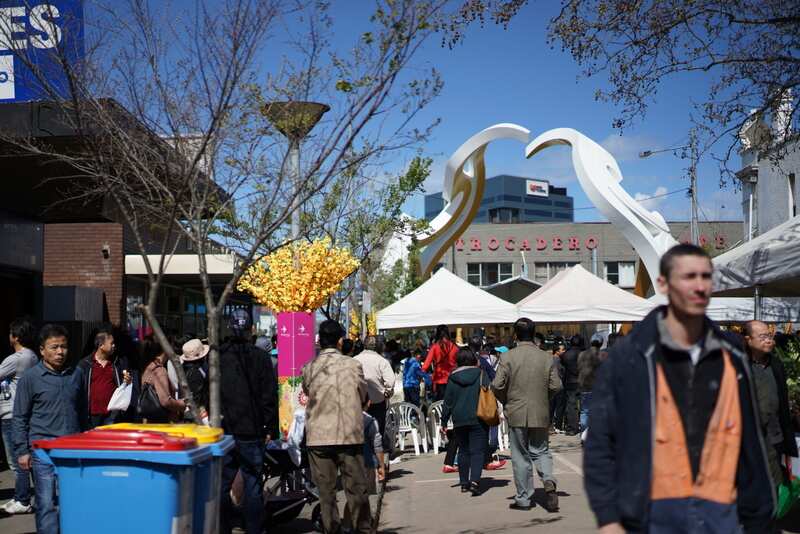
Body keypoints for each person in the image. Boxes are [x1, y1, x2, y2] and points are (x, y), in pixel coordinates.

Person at [585, 244, 774, 533]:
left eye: (705, 277)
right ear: (663, 283)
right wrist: (608, 518)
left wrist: (759, 518)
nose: (699, 286)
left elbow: (751, 442)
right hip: (652, 513)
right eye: (688, 277)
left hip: (721, 511)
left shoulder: (731, 357)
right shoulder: (631, 356)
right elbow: (601, 440)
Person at [302, 319, 371, 534]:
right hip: (349, 435)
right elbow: (363, 396)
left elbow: (307, 391)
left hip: (319, 437)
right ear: (340, 341)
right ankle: (362, 529)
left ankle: (331, 529)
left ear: (319, 341)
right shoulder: (353, 365)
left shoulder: (310, 367)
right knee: (357, 489)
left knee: (326, 493)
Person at [13, 324, 83, 534]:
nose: (60, 352)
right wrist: (22, 451)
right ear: (42, 350)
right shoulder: (30, 378)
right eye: (54, 347)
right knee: (46, 503)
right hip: (42, 451)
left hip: (72, 450)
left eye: (63, 346)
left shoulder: (76, 374)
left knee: (72, 501)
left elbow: (82, 410)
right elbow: (20, 416)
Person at [492, 318, 562, 512]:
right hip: (540, 410)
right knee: (541, 450)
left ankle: (524, 499)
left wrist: (506, 400)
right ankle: (548, 480)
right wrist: (543, 398)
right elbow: (556, 386)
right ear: (533, 333)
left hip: (516, 411)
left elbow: (496, 385)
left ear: (515, 334)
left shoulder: (508, 357)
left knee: (521, 455)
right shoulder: (546, 357)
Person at [219, 309, 278, 534]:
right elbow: (269, 396)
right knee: (253, 483)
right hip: (252, 429)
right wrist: (270, 427)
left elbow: (208, 392)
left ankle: (224, 526)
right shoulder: (261, 358)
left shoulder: (219, 357)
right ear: (251, 329)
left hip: (224, 429)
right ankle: (254, 528)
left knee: (222, 484)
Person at [743, 321, 798, 490]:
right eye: (763, 336)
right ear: (748, 340)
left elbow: (781, 401)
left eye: (770, 336)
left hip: (774, 440)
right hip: (748, 442)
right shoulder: (739, 365)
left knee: (774, 486)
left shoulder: (776, 365)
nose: (769, 340)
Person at [441, 347, 491, 496]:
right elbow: (489, 392)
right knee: (477, 451)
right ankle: (475, 481)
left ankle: (464, 483)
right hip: (479, 417)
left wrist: (444, 421)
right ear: (473, 359)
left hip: (459, 418)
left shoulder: (452, 377)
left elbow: (447, 401)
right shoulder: (481, 374)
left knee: (463, 450)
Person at [0, 318, 38, 515]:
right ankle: (20, 497)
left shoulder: (16, 358)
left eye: (10, 333)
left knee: (16, 461)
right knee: (25, 458)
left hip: (11, 413)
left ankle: (22, 500)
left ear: (15, 337)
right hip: (23, 412)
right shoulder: (33, 357)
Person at [77, 326, 134, 429]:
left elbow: (124, 384)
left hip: (112, 414)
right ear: (101, 345)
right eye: (111, 343)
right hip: (91, 414)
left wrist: (128, 381)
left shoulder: (118, 363)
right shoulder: (85, 364)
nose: (114, 346)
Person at [355, 335, 396, 436]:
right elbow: (390, 382)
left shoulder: (354, 360)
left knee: (362, 433)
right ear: (377, 346)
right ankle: (377, 450)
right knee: (378, 432)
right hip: (378, 401)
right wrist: (387, 392)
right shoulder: (382, 361)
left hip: (358, 402)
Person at [140, 337, 185, 423]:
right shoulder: (160, 371)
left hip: (150, 421)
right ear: (166, 349)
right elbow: (165, 401)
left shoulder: (148, 367)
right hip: (163, 423)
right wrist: (182, 404)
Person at [422, 325, 458, 401]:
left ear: (437, 334)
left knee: (440, 404)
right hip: (453, 379)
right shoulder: (454, 347)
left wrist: (421, 376)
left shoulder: (435, 347)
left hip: (439, 380)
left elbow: (425, 366)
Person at [577, 336, 602, 433]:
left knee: (584, 411)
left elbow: (579, 367)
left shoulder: (582, 354)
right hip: (597, 387)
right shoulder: (601, 354)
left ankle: (584, 432)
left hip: (583, 385)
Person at [181, 338, 210, 423]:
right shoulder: (197, 372)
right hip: (198, 412)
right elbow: (198, 397)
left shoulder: (183, 368)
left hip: (186, 411)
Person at [561, 334, 583, 435]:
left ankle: (572, 428)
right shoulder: (584, 353)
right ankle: (585, 426)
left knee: (571, 405)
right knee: (585, 406)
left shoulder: (566, 355)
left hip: (571, 382)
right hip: (583, 381)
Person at [550, 343, 566, 433]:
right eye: (562, 350)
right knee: (559, 407)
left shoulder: (549, 359)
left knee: (551, 407)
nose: (564, 351)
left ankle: (550, 425)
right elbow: (562, 373)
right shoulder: (559, 361)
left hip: (551, 386)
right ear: (557, 351)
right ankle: (558, 426)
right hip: (559, 386)